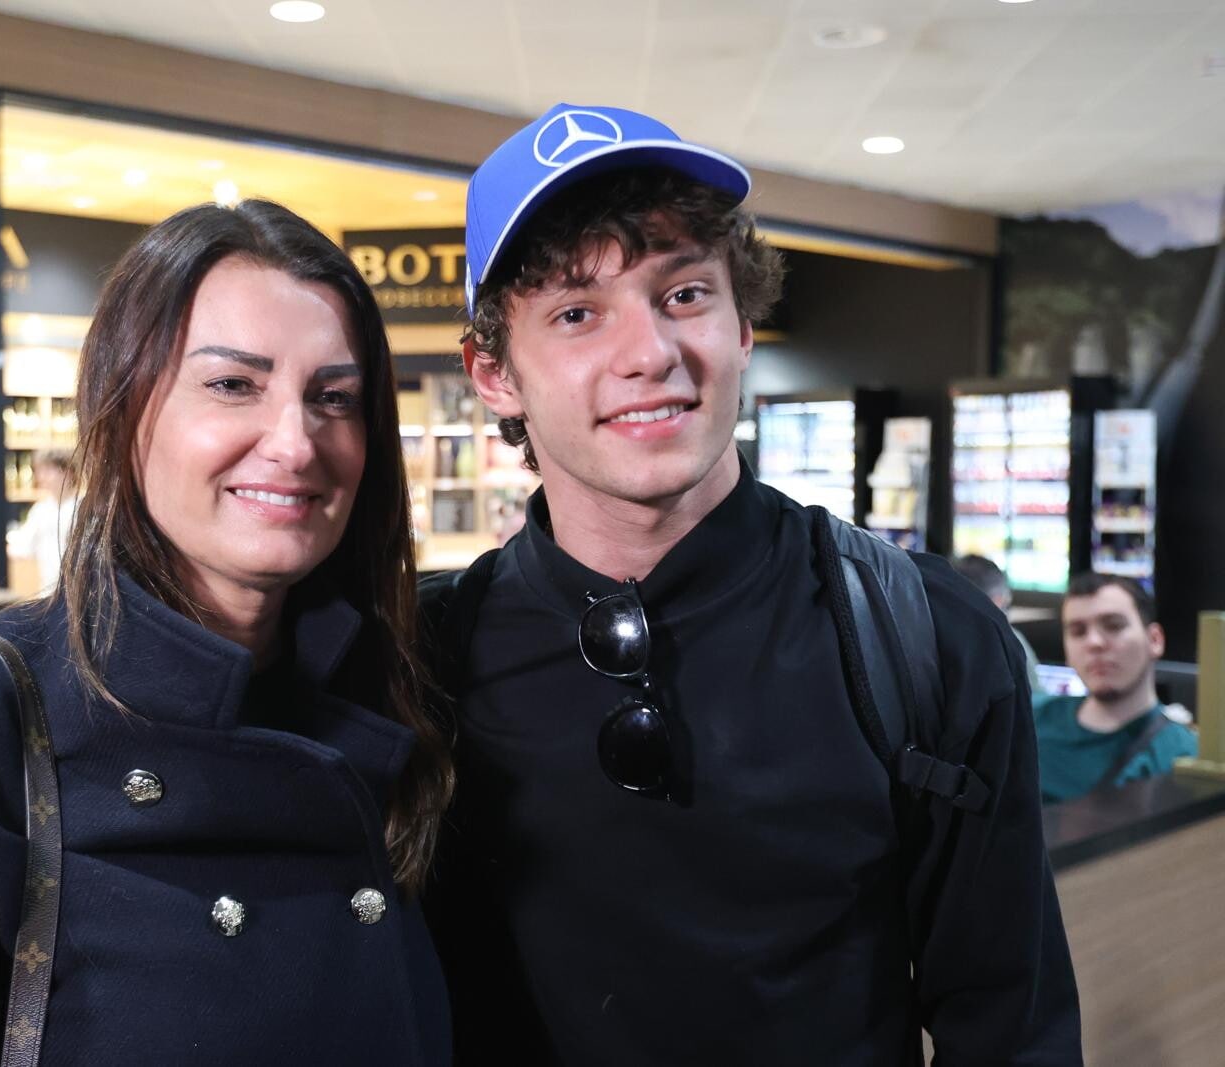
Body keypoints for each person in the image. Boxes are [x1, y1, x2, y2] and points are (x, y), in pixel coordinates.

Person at [423, 104, 1080, 1064]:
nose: (648, 353)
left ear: (744, 332)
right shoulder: (425, 658)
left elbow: (1010, 1025)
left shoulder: (920, 635)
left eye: (684, 294)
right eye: (576, 313)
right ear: (495, 374)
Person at [0, 200, 453, 1064]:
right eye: (233, 384)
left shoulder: (395, 695)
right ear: (122, 412)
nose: (296, 441)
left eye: (333, 397)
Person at [1034, 572, 1196, 805]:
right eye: (1078, 631)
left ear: (1154, 640)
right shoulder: (1028, 719)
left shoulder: (1180, 755)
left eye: (1113, 626)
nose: (1094, 643)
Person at [954, 553, 1044, 692]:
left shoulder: (926, 636)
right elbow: (1036, 704)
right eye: (1008, 605)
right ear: (999, 601)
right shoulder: (1011, 642)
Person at [7, 446, 78, 590]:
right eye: (40, 471)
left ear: (67, 472)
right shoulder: (40, 510)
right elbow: (23, 546)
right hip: (47, 590)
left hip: (77, 590)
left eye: (48, 471)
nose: (42, 477)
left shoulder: (82, 508)